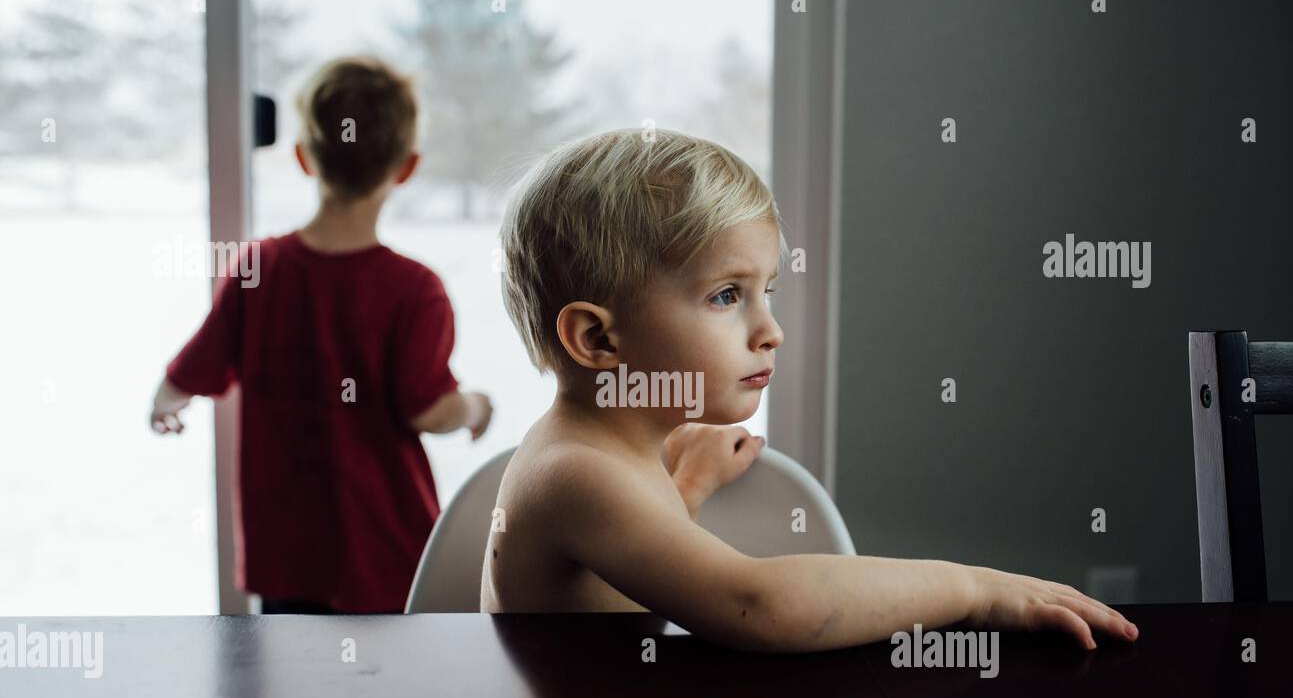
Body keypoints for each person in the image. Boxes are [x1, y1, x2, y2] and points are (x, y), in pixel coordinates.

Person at [483, 127, 1138, 652]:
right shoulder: (575, 473)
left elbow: (630, 574)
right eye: (725, 295)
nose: (771, 331)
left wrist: (689, 489)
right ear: (598, 341)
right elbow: (759, 605)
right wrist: (974, 589)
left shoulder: (609, 448)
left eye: (765, 291)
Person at [151, 55, 491, 614]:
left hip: (285, 557)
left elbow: (194, 369)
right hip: (386, 552)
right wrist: (477, 408)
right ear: (406, 168)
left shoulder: (257, 269)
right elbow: (430, 410)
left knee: (293, 695)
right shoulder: (414, 289)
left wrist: (166, 401)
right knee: (388, 696)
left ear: (305, 159)